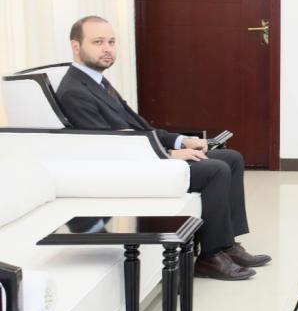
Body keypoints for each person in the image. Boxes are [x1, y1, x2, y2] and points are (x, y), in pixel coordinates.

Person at [56, 16, 271, 281]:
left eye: (111, 42)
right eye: (98, 42)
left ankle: (227, 245)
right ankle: (210, 257)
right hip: (132, 169)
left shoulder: (97, 82)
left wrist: (181, 141)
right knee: (215, 169)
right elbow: (110, 147)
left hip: (143, 156)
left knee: (232, 158)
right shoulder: (74, 92)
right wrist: (169, 155)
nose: (107, 49)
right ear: (76, 46)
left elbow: (140, 129)